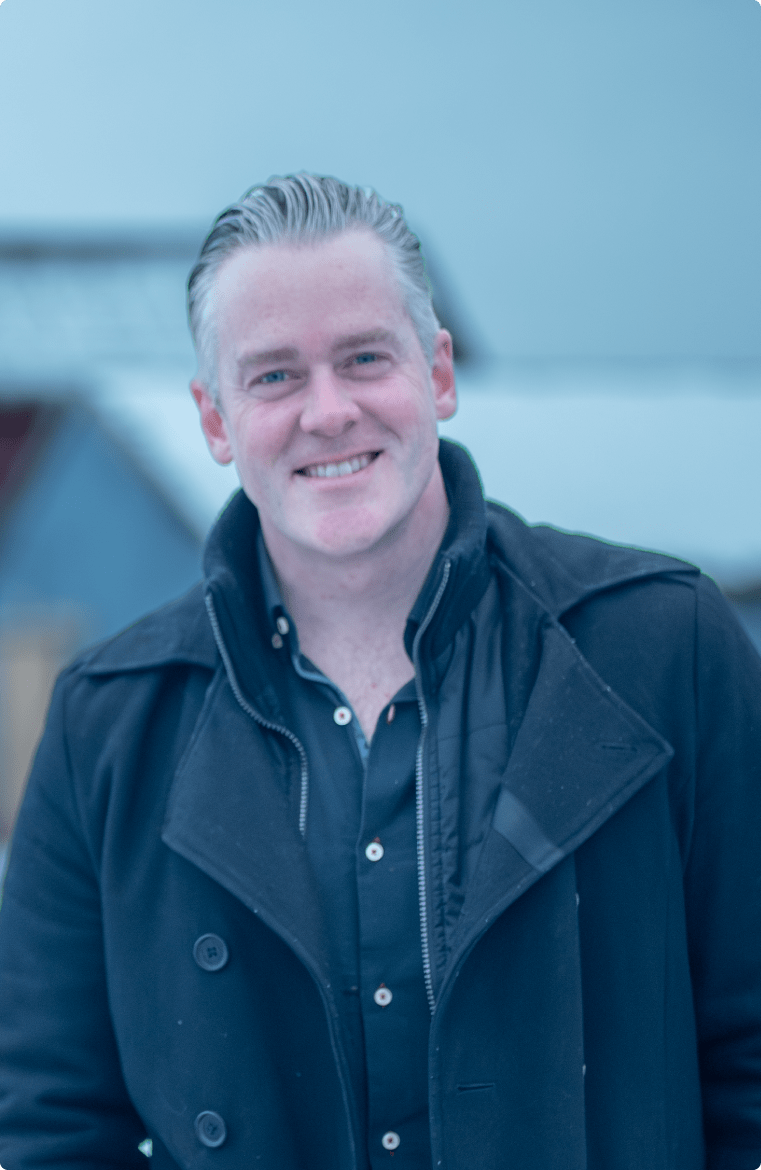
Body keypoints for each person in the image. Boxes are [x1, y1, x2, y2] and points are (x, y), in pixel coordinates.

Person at [0, 173, 760, 1170]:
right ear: (215, 419)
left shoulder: (659, 650)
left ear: (437, 373)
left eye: (364, 358)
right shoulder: (109, 724)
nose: (328, 412)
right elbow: (49, 1123)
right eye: (274, 376)